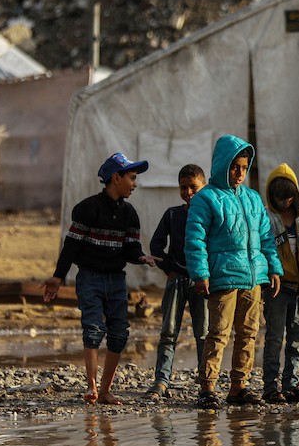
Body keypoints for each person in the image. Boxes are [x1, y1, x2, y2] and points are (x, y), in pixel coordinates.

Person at [44, 152, 158, 405]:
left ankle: (105, 389)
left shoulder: (130, 214)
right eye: (132, 178)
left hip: (116, 280)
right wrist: (57, 277)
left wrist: (141, 257)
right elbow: (71, 247)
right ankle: (92, 387)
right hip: (90, 278)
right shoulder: (87, 209)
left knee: (119, 333)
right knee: (93, 329)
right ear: (115, 178)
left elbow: (130, 249)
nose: (135, 184)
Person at [185, 134, 282, 409]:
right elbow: (195, 239)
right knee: (218, 333)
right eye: (234, 167)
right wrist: (200, 273)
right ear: (222, 165)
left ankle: (239, 386)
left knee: (248, 332)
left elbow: (266, 238)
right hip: (224, 277)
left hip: (252, 278)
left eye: (243, 167)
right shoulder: (206, 199)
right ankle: (208, 388)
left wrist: (273, 268)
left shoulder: (252, 199)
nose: (239, 173)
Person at [145, 163, 209, 401]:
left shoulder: (209, 214)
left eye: (194, 187)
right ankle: (161, 381)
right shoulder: (173, 214)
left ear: (204, 186)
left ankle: (206, 382)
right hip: (177, 280)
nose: (188, 192)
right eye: (184, 187)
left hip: (202, 283)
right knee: (169, 332)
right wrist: (168, 269)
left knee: (203, 334)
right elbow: (156, 245)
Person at [260, 163, 299, 404]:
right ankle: (271, 386)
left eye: (289, 197)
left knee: (296, 338)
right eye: (280, 198)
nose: (285, 202)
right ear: (272, 196)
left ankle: (291, 383)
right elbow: (261, 249)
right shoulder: (266, 217)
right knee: (274, 337)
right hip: (276, 288)